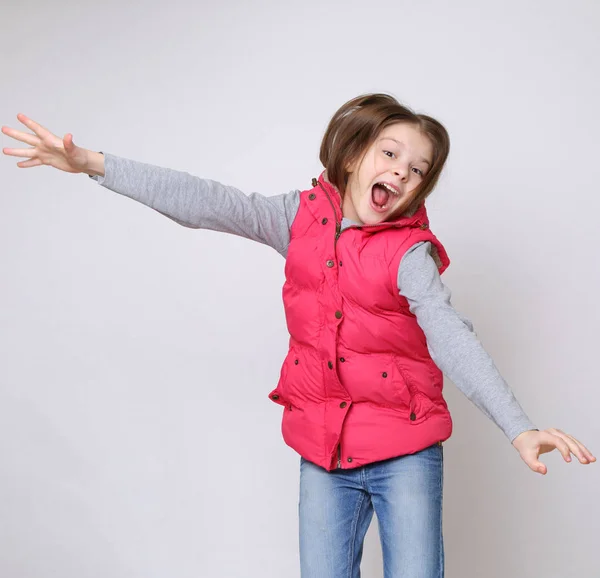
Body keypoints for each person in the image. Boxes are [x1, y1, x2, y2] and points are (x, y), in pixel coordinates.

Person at [2, 93, 595, 578]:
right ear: (356, 154)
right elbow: (209, 203)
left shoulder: (409, 253)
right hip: (323, 450)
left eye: (417, 170)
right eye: (391, 153)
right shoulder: (300, 218)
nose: (402, 172)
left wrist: (519, 428)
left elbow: (451, 337)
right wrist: (96, 164)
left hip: (405, 449)